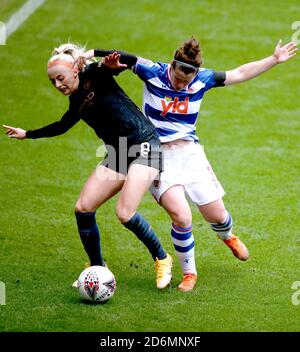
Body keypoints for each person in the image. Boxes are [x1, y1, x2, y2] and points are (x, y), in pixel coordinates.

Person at [79, 37, 297, 292]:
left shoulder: (202, 79)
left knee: (217, 215)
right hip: (155, 154)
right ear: (172, 66)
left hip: (190, 153)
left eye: (187, 81)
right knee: (182, 216)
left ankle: (227, 235)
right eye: (178, 79)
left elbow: (238, 73)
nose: (182, 84)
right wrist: (90, 53)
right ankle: (189, 273)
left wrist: (273, 60)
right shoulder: (153, 71)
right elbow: (125, 56)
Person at [2, 43, 173, 290]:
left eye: (60, 78)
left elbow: (127, 58)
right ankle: (98, 268)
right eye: (53, 82)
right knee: (83, 208)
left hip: (145, 144)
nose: (58, 85)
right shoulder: (76, 101)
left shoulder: (95, 73)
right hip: (120, 151)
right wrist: (27, 134)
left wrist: (96, 55)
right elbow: (61, 126)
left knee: (124, 213)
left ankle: (162, 258)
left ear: (74, 70)